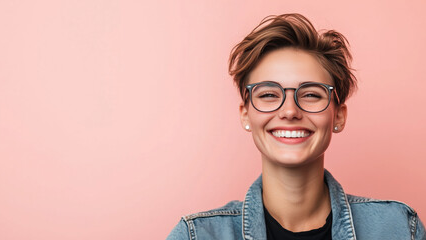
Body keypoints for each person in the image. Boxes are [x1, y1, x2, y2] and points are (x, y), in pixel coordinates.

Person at [167, 13, 426, 240]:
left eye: (311, 94)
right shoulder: (196, 235)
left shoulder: (400, 228)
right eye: (268, 95)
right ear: (245, 115)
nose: (290, 111)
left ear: (339, 116)